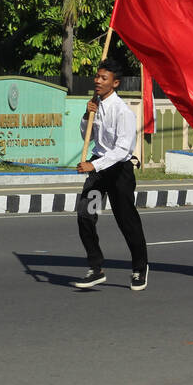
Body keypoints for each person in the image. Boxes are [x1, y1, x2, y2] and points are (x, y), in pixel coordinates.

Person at [73, 59, 148, 291]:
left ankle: (139, 267)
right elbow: (86, 136)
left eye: (103, 78)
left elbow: (122, 150)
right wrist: (87, 115)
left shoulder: (123, 112)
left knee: (126, 221)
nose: (97, 81)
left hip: (118, 171)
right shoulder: (94, 105)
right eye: (97, 76)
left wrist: (94, 166)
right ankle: (95, 268)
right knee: (86, 214)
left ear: (114, 83)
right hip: (98, 169)